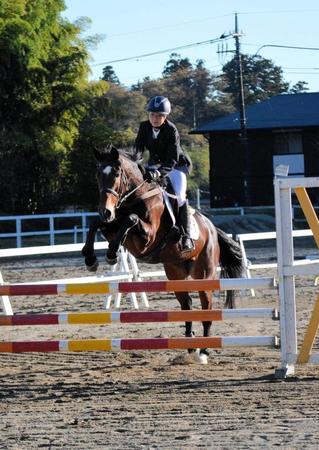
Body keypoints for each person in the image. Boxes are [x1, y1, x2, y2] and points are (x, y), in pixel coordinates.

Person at [134, 95, 194, 252]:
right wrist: (137, 163)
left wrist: (158, 173)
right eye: (152, 114)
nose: (154, 118)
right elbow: (138, 150)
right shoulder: (144, 127)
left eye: (159, 115)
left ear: (165, 116)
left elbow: (172, 160)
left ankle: (186, 236)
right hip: (154, 164)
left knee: (180, 197)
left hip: (175, 167)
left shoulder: (171, 130)